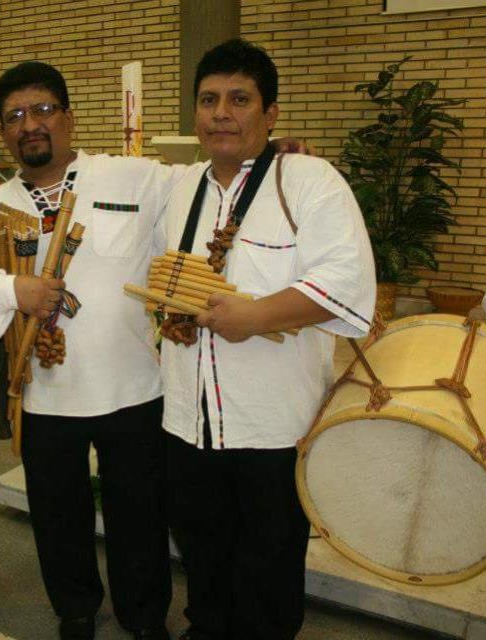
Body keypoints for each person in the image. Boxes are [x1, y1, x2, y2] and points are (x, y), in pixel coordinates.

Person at [0, 59, 190, 640]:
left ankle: (143, 615)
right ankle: (75, 608)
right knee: (58, 515)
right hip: (46, 392)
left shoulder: (133, 177)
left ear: (69, 118)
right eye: (15, 116)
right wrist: (13, 289)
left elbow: (209, 183)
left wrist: (267, 155)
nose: (31, 124)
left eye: (43, 110)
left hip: (133, 385)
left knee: (138, 513)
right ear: (4, 131)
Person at [159, 39, 376, 640]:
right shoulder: (181, 188)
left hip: (273, 423)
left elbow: (346, 281)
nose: (220, 112)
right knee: (201, 543)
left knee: (270, 555)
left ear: (271, 113)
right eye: (208, 100)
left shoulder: (309, 180)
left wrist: (255, 317)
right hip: (188, 415)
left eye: (239, 99)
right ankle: (207, 626)